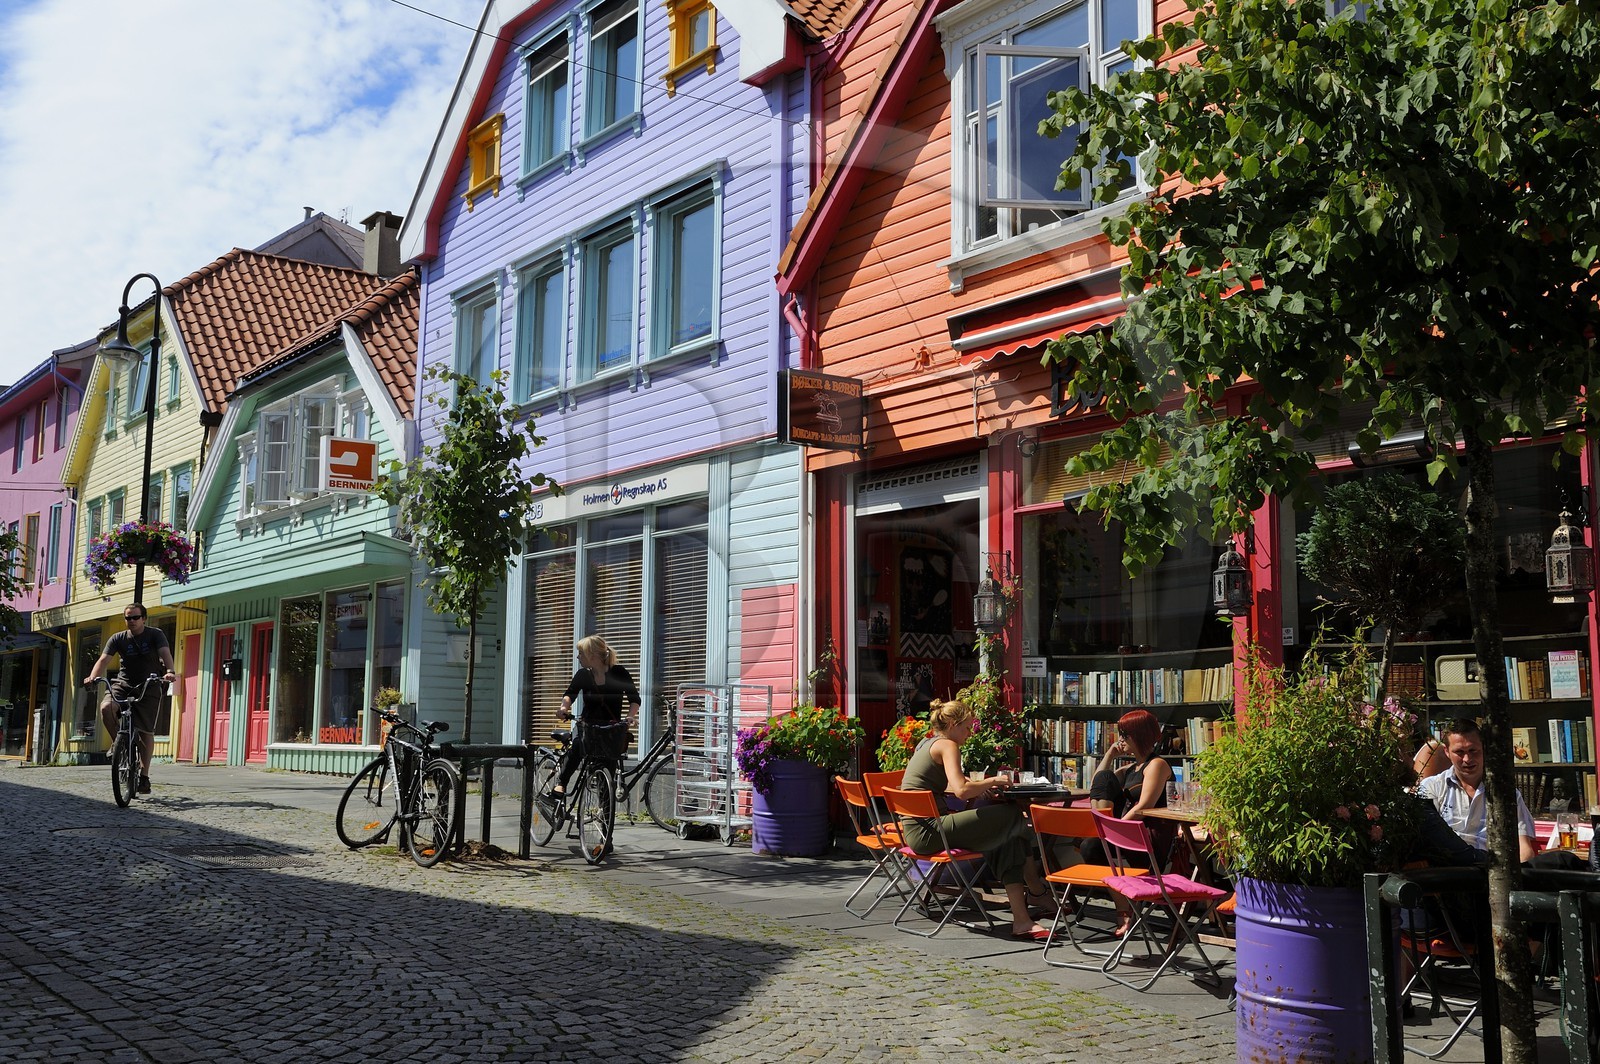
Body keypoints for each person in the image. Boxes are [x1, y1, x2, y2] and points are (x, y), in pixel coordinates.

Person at [900, 697, 1051, 940]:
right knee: (1011, 815)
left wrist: (978, 786)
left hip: (916, 830)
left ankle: (1022, 918)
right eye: (967, 727)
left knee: (1005, 835)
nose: (970, 734)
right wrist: (994, 781)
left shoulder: (927, 743)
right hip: (930, 831)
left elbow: (953, 781)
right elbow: (960, 791)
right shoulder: (948, 745)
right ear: (951, 724)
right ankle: (1035, 888)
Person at [1082, 709, 1176, 935]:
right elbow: (1096, 784)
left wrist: (1115, 828)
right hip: (1126, 833)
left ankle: (1125, 912)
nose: (1121, 740)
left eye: (1125, 735)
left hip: (1147, 837)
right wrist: (1109, 756)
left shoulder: (1157, 765)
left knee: (1098, 845)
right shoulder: (1129, 768)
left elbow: (1144, 807)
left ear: (1139, 736)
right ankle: (1124, 909)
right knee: (1091, 847)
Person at [83, 604, 176, 795]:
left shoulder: (155, 634)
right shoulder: (118, 638)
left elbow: (165, 653)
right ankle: (119, 744)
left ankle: (144, 776)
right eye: (128, 618)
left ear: (144, 618)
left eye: (135, 617)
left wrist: (169, 671)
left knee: (145, 731)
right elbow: (103, 660)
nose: (131, 621)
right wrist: (92, 677)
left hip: (149, 684)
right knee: (106, 707)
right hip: (123, 683)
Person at [1417, 718, 1538, 863]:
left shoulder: (1505, 793)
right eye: (1459, 752)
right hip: (1449, 871)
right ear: (1447, 752)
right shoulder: (1432, 788)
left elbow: (1524, 849)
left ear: (1484, 749)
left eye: (1473, 751)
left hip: (1492, 871)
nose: (1467, 759)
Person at [548, 635, 641, 801]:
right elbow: (570, 694)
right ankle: (561, 783)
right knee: (577, 745)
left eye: (581, 654)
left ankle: (605, 816)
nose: (578, 657)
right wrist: (563, 708)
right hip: (587, 726)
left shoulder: (619, 673)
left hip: (611, 728)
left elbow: (634, 699)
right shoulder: (583, 675)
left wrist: (630, 717)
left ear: (592, 656)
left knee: (609, 770)